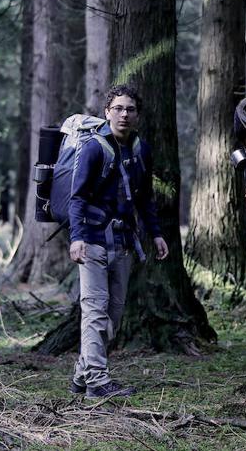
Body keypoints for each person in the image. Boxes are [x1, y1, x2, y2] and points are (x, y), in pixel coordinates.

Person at [68, 84, 169, 400]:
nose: (124, 114)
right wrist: (77, 238)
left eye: (130, 109)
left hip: (124, 244)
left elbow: (145, 199)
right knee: (95, 311)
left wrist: (155, 233)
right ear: (107, 112)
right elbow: (77, 198)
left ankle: (82, 375)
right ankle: (97, 382)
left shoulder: (142, 150)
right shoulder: (94, 148)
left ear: (137, 115)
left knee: (112, 316)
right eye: (118, 109)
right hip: (94, 242)